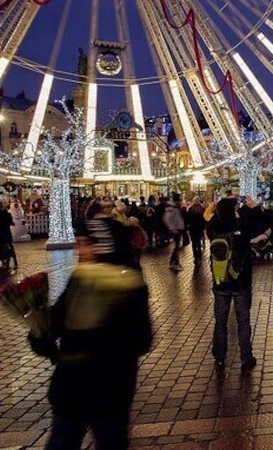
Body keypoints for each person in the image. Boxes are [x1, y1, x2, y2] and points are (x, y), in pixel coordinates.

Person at [29, 243, 152, 450]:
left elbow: (141, 339)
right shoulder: (81, 279)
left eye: (87, 244)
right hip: (97, 389)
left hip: (91, 388)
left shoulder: (125, 286)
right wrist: (40, 330)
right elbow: (142, 341)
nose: (81, 251)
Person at [206, 195, 258, 371]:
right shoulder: (241, 226)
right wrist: (255, 208)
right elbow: (261, 226)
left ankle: (220, 357)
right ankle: (246, 357)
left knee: (220, 321)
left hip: (220, 282)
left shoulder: (213, 227)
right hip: (241, 282)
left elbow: (208, 219)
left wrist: (215, 207)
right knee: (243, 320)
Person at [163, 193, 185, 270]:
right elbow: (167, 219)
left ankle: (175, 261)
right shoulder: (172, 209)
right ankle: (174, 262)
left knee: (176, 247)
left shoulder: (174, 208)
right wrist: (173, 228)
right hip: (176, 229)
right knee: (176, 247)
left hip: (177, 229)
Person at [185, 198, 207, 264]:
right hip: (200, 228)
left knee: (194, 243)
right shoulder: (202, 209)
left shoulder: (191, 209)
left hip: (193, 228)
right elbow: (205, 218)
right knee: (199, 241)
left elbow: (187, 219)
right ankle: (199, 257)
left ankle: (196, 257)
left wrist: (188, 225)